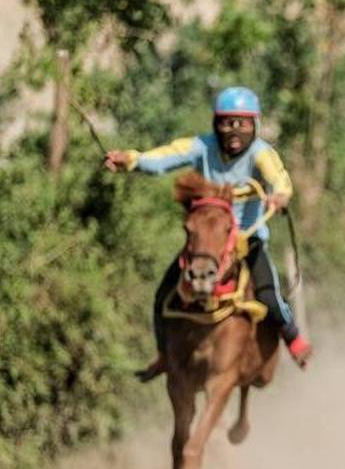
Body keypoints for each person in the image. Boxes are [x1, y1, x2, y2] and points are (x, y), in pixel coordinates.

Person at [104, 86, 313, 380]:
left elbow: (279, 178)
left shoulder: (261, 153)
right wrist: (132, 159)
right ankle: (164, 355)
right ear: (216, 124)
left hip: (246, 240)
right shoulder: (201, 146)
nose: (234, 132)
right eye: (227, 123)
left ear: (255, 125)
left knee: (269, 295)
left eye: (242, 124)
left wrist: (279, 196)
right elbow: (165, 156)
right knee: (164, 294)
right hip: (207, 242)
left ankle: (293, 338)